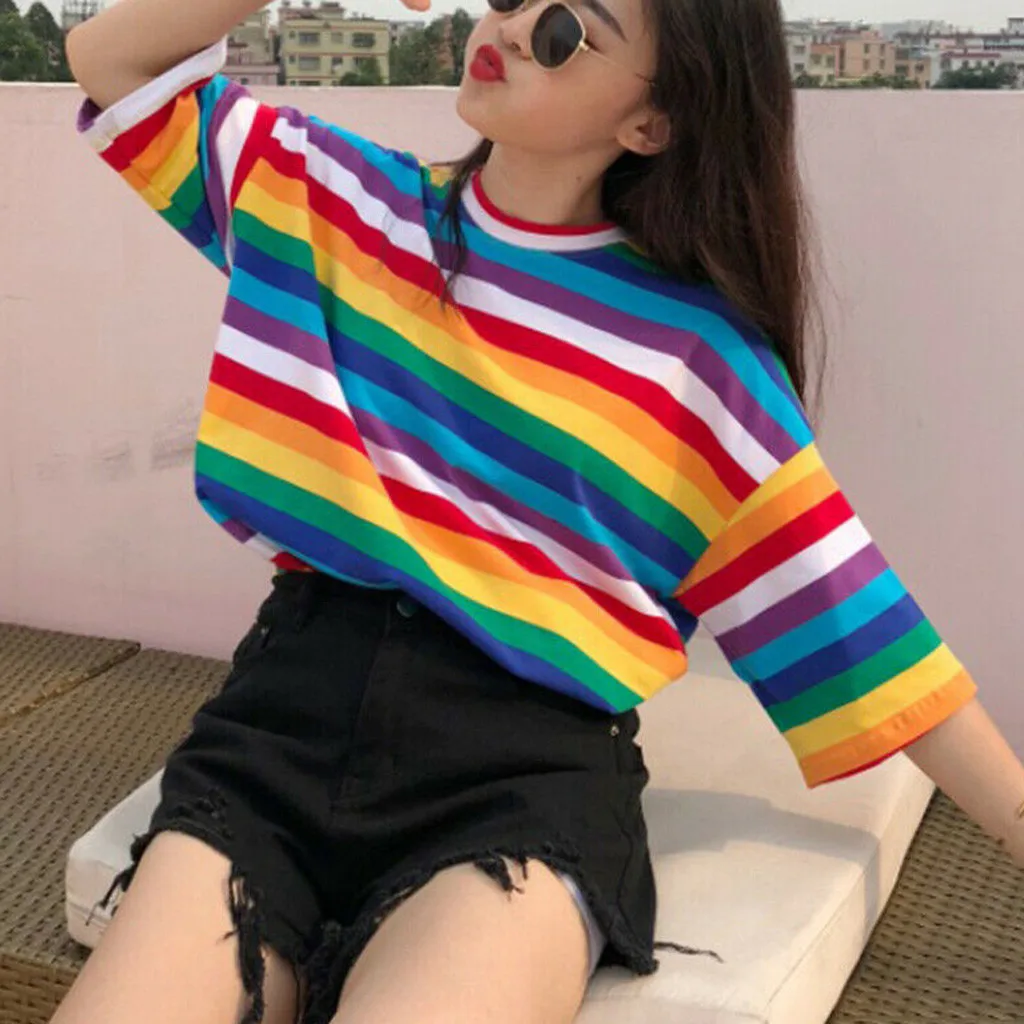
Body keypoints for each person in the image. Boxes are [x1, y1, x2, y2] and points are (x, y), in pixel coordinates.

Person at [54, 0, 1023, 1022]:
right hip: (279, 735)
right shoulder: (331, 199)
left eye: (564, 32)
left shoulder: (700, 365)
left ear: (650, 121)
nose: (512, 30)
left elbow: (868, 643)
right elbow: (108, 60)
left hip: (516, 788)